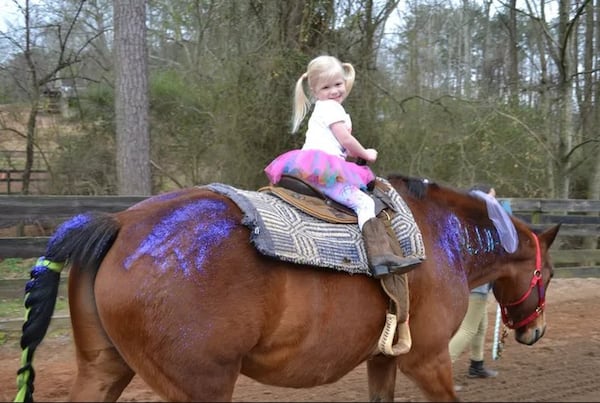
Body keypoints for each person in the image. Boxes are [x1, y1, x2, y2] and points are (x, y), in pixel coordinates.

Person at [264, 55, 421, 279]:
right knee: (364, 202)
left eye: (338, 84)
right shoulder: (331, 108)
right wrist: (367, 153)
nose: (335, 91)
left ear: (345, 81)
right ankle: (380, 257)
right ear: (315, 91)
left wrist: (353, 157)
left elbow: (342, 147)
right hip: (324, 171)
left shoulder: (325, 108)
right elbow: (346, 140)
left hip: (315, 165)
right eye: (326, 87)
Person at [449, 184, 510, 382]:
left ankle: (477, 364)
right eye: (491, 198)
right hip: (477, 283)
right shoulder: (478, 226)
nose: (494, 203)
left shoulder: (465, 221)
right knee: (469, 329)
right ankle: (441, 370)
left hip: (470, 281)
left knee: (480, 325)